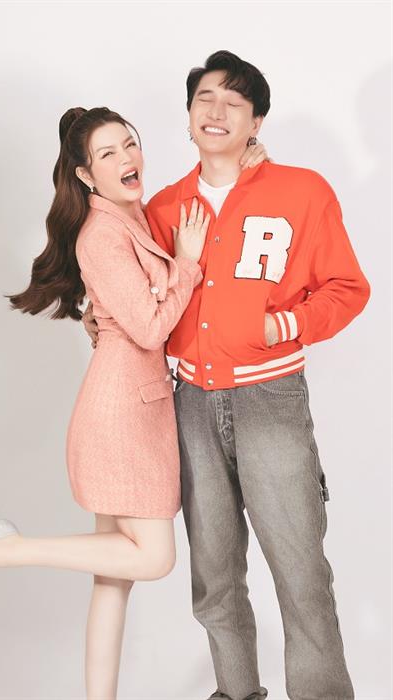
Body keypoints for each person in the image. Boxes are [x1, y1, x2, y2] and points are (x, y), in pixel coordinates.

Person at [0, 105, 268, 700]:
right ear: (86, 175)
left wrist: (242, 163)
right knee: (154, 559)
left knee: (112, 580)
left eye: (130, 143)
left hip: (132, 404)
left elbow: (128, 305)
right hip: (124, 416)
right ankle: (2, 549)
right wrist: (187, 266)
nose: (127, 158)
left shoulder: (130, 217)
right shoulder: (102, 233)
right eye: (108, 154)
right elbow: (151, 328)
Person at [85, 51, 371, 700]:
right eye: (204, 99)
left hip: (271, 400)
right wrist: (96, 317)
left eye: (233, 102)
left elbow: (348, 287)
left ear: (256, 121)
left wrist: (283, 324)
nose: (215, 111)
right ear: (188, 116)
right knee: (213, 579)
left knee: (301, 572)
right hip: (188, 404)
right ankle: (237, 692)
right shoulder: (162, 208)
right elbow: (138, 295)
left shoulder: (302, 192)